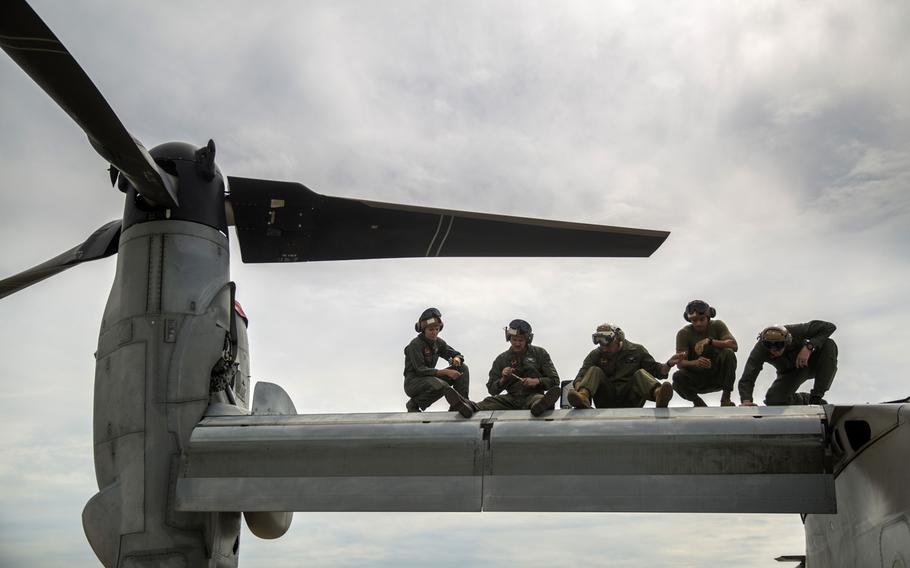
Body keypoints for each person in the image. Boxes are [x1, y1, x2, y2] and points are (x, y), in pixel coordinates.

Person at [445, 319, 562, 417]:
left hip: (533, 396)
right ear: (508, 337)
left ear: (528, 339)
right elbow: (491, 389)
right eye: (514, 339)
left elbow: (555, 380)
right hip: (510, 399)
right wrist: (503, 379)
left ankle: (540, 406)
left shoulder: (540, 353)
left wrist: (536, 381)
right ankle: (467, 406)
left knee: (539, 400)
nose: (517, 343)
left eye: (521, 340)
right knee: (487, 402)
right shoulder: (502, 359)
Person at [566, 323, 683, 409]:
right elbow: (581, 375)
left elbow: (657, 371)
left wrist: (669, 364)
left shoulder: (636, 350)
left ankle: (659, 395)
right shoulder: (596, 355)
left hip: (631, 399)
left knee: (639, 373)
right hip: (606, 398)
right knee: (594, 370)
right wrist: (578, 389)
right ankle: (583, 397)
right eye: (599, 342)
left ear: (618, 339)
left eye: (607, 343)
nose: (604, 347)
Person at [739, 321, 837, 406]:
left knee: (828, 344)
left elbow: (829, 327)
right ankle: (805, 399)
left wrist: (809, 347)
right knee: (773, 400)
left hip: (811, 362)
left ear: (788, 341)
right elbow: (748, 375)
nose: (774, 350)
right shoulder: (760, 349)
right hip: (789, 373)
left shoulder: (796, 331)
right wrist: (746, 400)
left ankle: (816, 397)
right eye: (769, 345)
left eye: (778, 345)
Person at [672, 300, 738, 407]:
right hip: (697, 379)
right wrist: (696, 363)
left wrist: (710, 341)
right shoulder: (684, 333)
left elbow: (733, 345)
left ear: (708, 317)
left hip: (718, 375)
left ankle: (726, 398)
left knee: (728, 353)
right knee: (677, 377)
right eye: (694, 320)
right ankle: (698, 403)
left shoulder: (717, 325)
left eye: (702, 319)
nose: (698, 323)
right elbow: (680, 363)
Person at [403, 307, 470, 412]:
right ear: (423, 330)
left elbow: (456, 354)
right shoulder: (415, 345)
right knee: (440, 385)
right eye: (431, 329)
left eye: (437, 329)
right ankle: (414, 404)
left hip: (431, 378)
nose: (434, 332)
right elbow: (420, 370)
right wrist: (446, 372)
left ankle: (461, 404)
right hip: (414, 382)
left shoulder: (438, 343)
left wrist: (456, 359)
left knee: (462, 368)